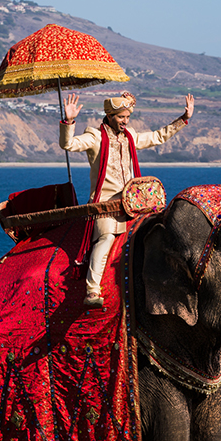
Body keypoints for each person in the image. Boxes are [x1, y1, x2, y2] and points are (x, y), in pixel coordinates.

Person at [61, 90, 195, 307]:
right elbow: (68, 145)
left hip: (134, 204)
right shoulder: (95, 137)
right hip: (105, 206)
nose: (125, 121)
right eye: (121, 117)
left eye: (127, 117)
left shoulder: (130, 136)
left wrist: (184, 119)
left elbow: (157, 137)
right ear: (110, 116)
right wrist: (68, 121)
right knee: (105, 240)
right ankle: (92, 291)